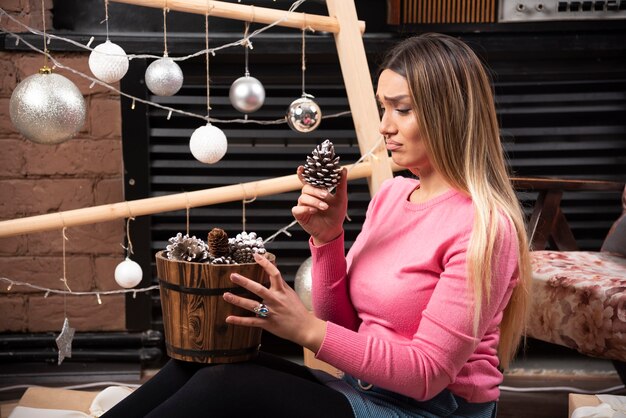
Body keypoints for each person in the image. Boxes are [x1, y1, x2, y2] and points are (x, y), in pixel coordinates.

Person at [103, 33, 531, 418]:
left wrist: (304, 328)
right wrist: (327, 238)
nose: (384, 127)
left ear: (449, 115)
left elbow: (427, 374)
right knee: (203, 361)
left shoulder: (486, 228)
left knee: (224, 386)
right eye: (384, 107)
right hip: (362, 388)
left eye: (402, 109)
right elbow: (346, 331)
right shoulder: (393, 196)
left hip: (432, 410)